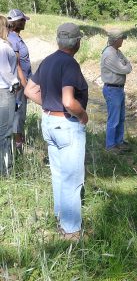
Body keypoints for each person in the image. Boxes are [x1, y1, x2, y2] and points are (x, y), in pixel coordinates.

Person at [25, 23, 88, 241]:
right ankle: (71, 231)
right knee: (72, 178)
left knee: (59, 174)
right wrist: (82, 115)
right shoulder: (69, 64)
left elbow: (29, 90)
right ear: (77, 42)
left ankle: (61, 218)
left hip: (49, 122)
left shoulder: (49, 61)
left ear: (59, 41)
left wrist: (49, 105)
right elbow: (69, 101)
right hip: (67, 125)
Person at [101, 29, 132, 153]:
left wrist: (126, 64)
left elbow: (127, 64)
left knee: (121, 117)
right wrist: (126, 65)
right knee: (113, 119)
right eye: (121, 38)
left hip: (118, 89)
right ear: (116, 40)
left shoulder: (117, 51)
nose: (123, 40)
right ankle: (110, 146)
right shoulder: (109, 54)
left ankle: (119, 142)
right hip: (112, 89)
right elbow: (125, 69)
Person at [7, 9, 32, 153]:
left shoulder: (15, 37)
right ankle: (18, 146)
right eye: (23, 20)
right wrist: (25, 84)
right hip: (20, 83)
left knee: (19, 112)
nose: (25, 22)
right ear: (17, 22)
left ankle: (17, 142)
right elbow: (17, 65)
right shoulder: (13, 39)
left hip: (23, 81)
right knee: (18, 113)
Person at [0, 15, 19, 176]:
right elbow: (4, 69)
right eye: (8, 26)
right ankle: (6, 171)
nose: (10, 29)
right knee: (5, 133)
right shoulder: (2, 47)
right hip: (5, 92)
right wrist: (15, 83)